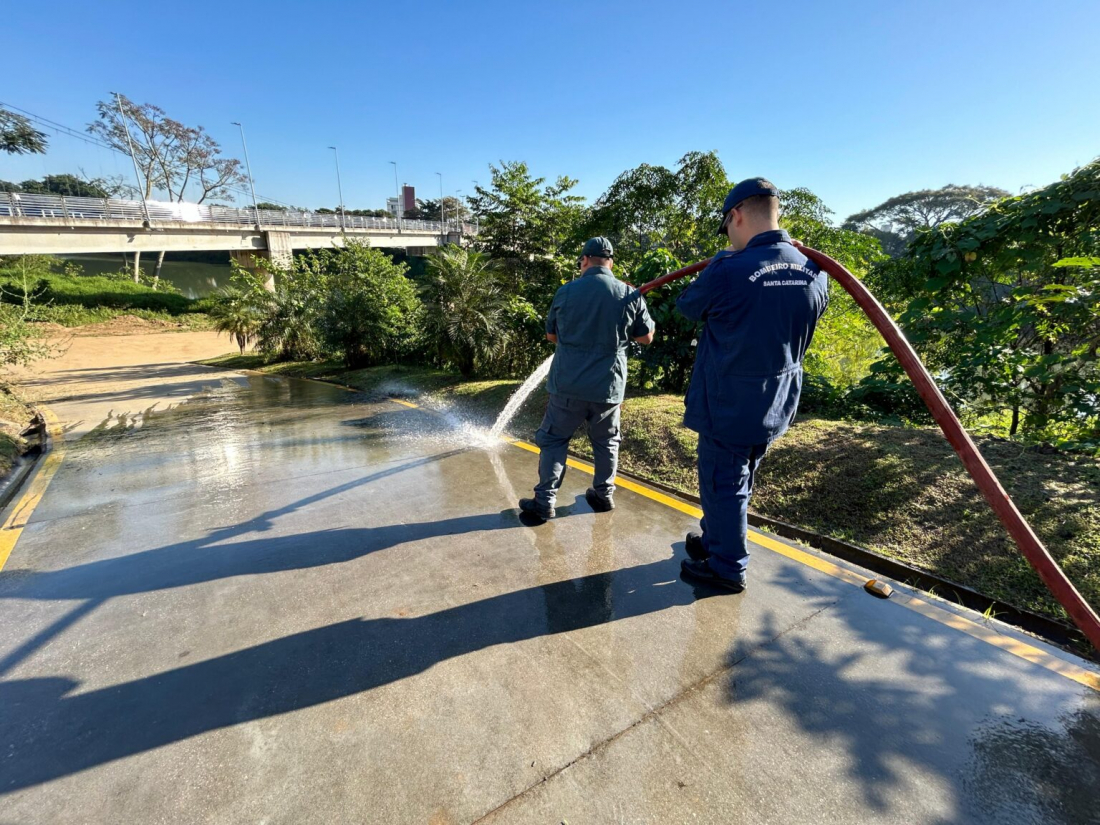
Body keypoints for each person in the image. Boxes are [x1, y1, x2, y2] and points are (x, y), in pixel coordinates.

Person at [676, 178, 829, 591]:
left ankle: (727, 566)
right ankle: (715, 540)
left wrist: (720, 261)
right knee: (738, 477)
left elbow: (687, 306)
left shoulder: (728, 269)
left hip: (728, 402)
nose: (728, 235)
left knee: (723, 482)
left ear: (737, 215)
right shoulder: (815, 270)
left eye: (727, 227)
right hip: (777, 400)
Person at [518, 237, 655, 521]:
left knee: (554, 439)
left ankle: (545, 501)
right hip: (608, 386)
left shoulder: (566, 292)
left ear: (585, 260)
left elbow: (551, 336)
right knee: (607, 441)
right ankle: (603, 495)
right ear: (611, 262)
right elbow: (647, 337)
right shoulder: (629, 294)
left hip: (568, 384)